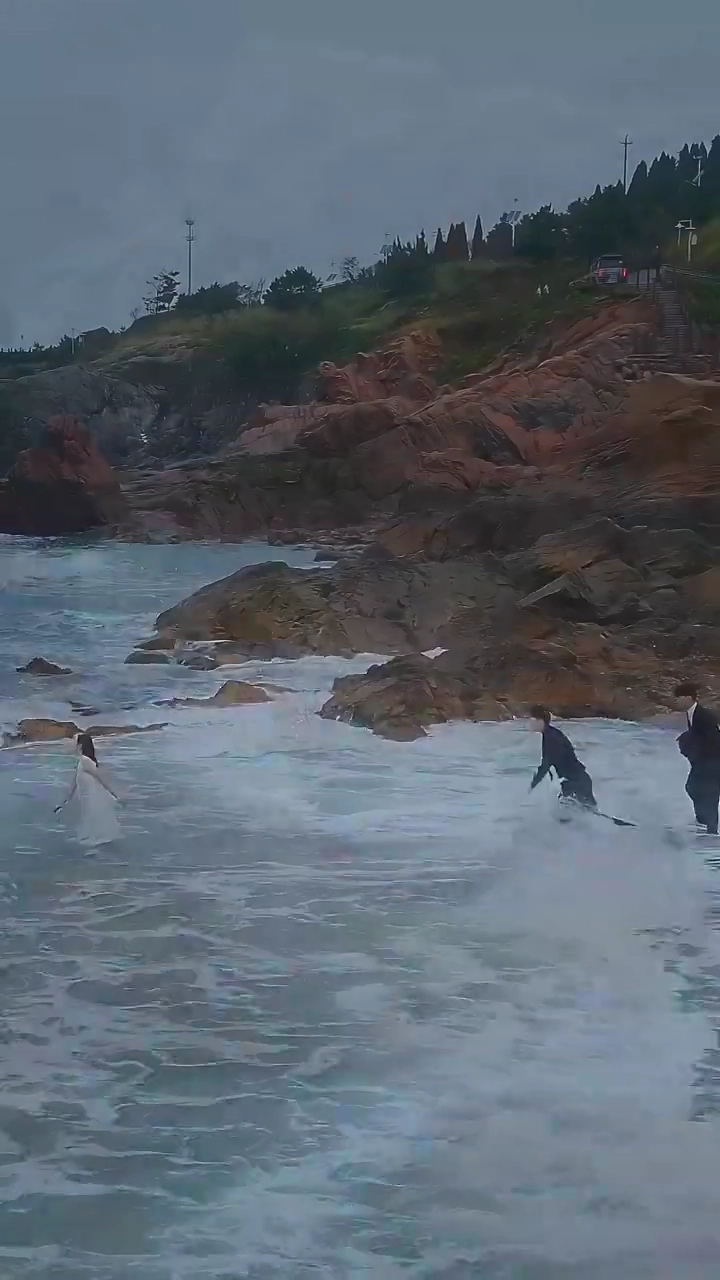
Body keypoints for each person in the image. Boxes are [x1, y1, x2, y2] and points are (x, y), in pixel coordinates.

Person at [55, 732, 122, 846]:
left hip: (91, 798)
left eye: (74, 740)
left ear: (80, 746)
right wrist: (64, 802)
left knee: (92, 821)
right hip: (86, 798)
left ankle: (95, 846)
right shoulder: (81, 761)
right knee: (90, 820)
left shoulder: (85, 761)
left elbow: (100, 777)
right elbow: (74, 783)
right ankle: (95, 845)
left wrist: (113, 793)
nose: (71, 743)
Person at [528, 705, 597, 808]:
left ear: (540, 721)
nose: (529, 723)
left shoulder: (552, 737)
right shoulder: (550, 734)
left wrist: (531, 787)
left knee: (571, 814)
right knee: (583, 813)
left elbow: (546, 764)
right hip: (576, 780)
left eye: (531, 719)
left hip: (575, 782)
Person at [674, 682, 720, 835]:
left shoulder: (704, 715)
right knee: (692, 787)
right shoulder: (691, 713)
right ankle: (703, 821)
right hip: (702, 760)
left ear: (688, 698)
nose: (676, 701)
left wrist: (689, 741)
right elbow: (698, 734)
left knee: (709, 793)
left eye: (678, 698)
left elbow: (714, 738)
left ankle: (711, 830)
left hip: (712, 760)